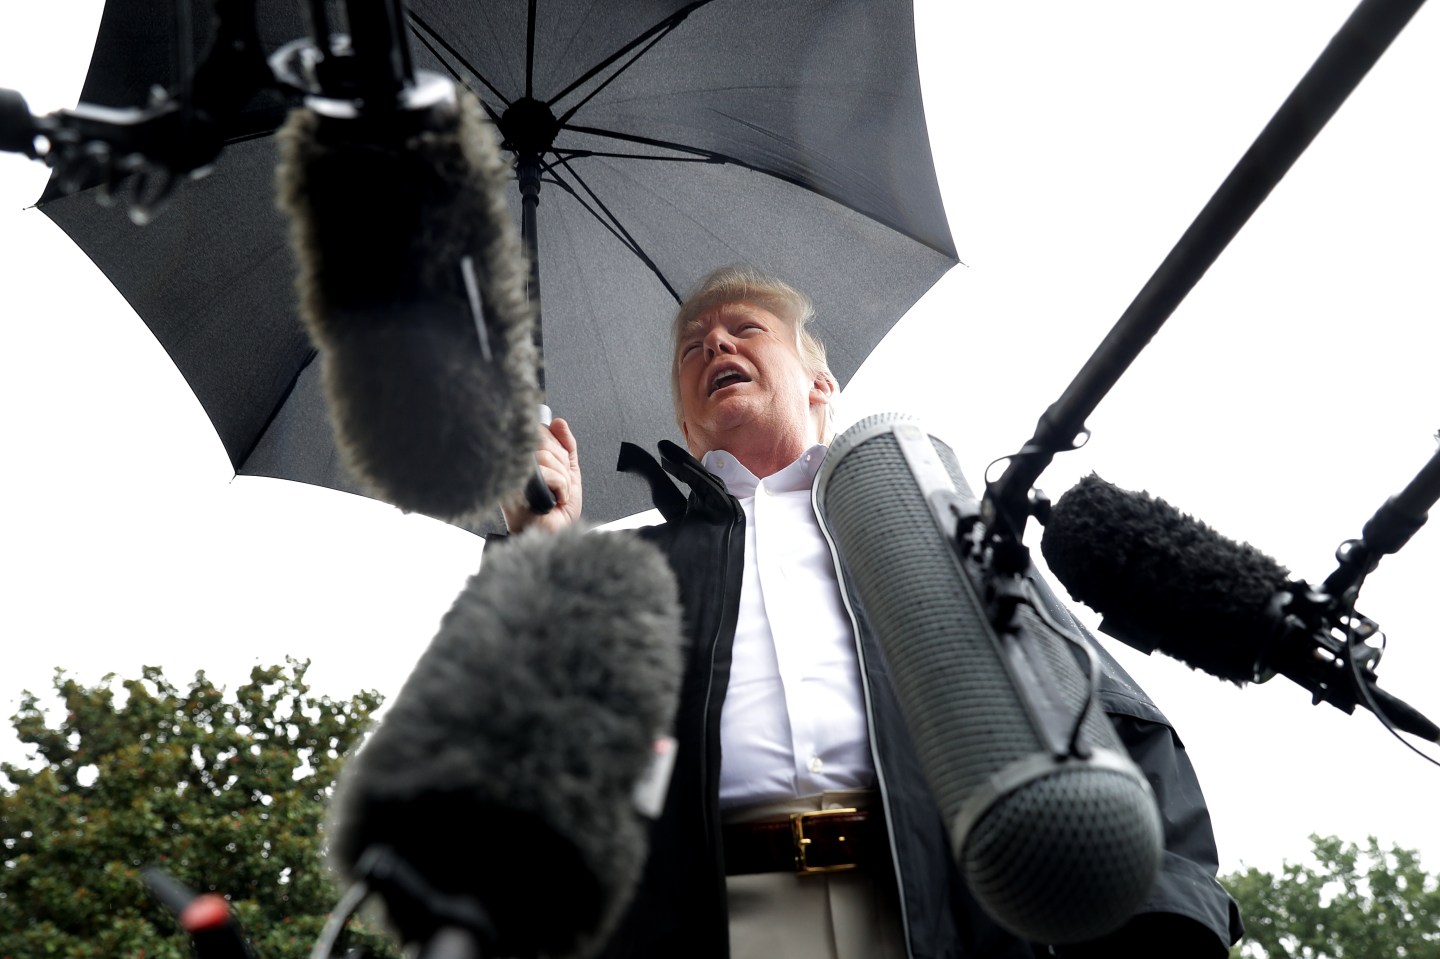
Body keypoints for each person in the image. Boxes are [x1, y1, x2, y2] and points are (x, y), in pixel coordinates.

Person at [501, 265, 1243, 958]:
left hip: (945, 912)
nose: (715, 345)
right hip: (711, 919)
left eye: (745, 329)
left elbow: (1094, 703)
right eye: (693, 348)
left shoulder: (924, 522)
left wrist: (1165, 918)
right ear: (688, 427)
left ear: (820, 383)